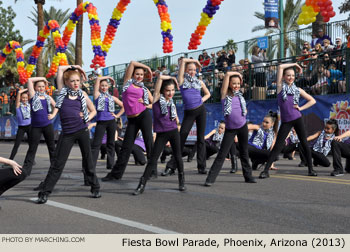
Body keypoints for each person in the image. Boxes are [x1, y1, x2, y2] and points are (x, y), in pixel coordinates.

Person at [36, 65, 101, 204]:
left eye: (78, 80)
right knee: (58, 164)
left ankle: (95, 187)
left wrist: (87, 117)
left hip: (82, 131)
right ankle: (45, 192)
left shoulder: (82, 95)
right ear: (66, 82)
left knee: (88, 161)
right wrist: (76, 66)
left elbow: (94, 110)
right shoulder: (62, 93)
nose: (76, 83)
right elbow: (60, 69)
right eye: (72, 81)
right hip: (67, 134)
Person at [259, 63, 317, 179]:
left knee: (305, 144)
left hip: (297, 118)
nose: (291, 77)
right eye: (288, 75)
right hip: (286, 121)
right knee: (278, 146)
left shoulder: (298, 89)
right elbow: (280, 67)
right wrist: (296, 64)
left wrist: (300, 108)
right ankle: (266, 171)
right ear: (284, 77)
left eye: (293, 75)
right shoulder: (280, 87)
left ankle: (311, 169)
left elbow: (312, 100)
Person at [133, 75, 186, 195]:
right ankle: (142, 184)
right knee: (152, 159)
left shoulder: (171, 102)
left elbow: (175, 115)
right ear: (162, 91)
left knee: (178, 157)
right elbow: (160, 77)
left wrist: (178, 123)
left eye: (173, 90)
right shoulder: (157, 99)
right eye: (168, 90)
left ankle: (181, 181)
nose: (171, 93)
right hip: (161, 134)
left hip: (173, 132)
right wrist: (173, 78)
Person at [102, 61, 154, 181]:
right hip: (132, 119)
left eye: (142, 74)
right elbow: (131, 63)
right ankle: (116, 175)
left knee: (149, 143)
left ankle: (152, 171)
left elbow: (154, 104)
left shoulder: (144, 89)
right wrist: (147, 67)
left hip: (144, 115)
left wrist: (146, 104)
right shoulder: (127, 84)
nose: (139, 76)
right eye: (137, 74)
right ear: (132, 74)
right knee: (126, 147)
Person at [204, 72, 256, 186]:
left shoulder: (240, 96)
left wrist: (244, 111)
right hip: (231, 129)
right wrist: (237, 73)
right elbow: (227, 74)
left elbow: (242, 110)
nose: (236, 85)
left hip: (242, 127)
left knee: (244, 152)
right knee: (222, 154)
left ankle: (248, 176)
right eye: (234, 83)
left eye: (238, 83)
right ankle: (210, 179)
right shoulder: (224, 96)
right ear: (229, 84)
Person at [161, 58, 210, 176]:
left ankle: (201, 167)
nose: (192, 71)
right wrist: (194, 62)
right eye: (190, 69)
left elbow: (208, 94)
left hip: (201, 110)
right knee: (181, 137)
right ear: (186, 70)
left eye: (194, 69)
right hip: (189, 111)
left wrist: (200, 101)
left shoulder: (199, 82)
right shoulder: (182, 80)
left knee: (201, 139)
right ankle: (171, 167)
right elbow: (182, 62)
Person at [22, 77, 56, 177]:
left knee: (52, 148)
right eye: (39, 86)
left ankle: (54, 168)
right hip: (36, 127)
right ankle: (26, 170)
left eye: (43, 86)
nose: (41, 88)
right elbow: (29, 80)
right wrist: (43, 78)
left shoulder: (48, 97)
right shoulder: (33, 96)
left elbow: (57, 106)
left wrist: (53, 115)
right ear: (35, 87)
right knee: (32, 149)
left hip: (47, 125)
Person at [90, 76, 124, 170]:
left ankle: (110, 164)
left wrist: (117, 116)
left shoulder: (112, 97)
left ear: (108, 86)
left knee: (111, 143)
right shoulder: (97, 95)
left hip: (111, 122)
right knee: (96, 144)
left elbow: (123, 106)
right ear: (100, 87)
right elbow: (97, 79)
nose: (104, 87)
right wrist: (109, 77)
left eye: (106, 85)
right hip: (101, 122)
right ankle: (91, 165)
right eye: (102, 85)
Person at [8, 88, 31, 161]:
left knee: (31, 145)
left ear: (28, 98)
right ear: (21, 98)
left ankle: (31, 160)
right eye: (23, 98)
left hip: (30, 126)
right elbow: (19, 93)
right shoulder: (18, 105)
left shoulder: (29, 105)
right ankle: (10, 160)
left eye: (26, 98)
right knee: (16, 145)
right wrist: (26, 89)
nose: (24, 99)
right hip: (21, 127)